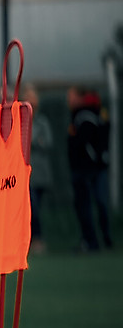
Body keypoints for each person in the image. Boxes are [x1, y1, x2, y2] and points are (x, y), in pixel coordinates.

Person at [67, 86, 112, 251]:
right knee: (92, 204)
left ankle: (98, 240)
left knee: (92, 204)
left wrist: (94, 159)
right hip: (89, 169)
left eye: (71, 96)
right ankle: (96, 240)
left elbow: (84, 143)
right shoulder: (92, 114)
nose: (69, 100)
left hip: (88, 169)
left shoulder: (85, 115)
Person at [22, 85, 53, 253]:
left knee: (34, 207)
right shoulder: (19, 120)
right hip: (21, 173)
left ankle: (37, 239)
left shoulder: (42, 122)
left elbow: (46, 142)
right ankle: (25, 241)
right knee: (24, 209)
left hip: (38, 172)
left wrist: (32, 140)